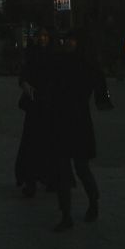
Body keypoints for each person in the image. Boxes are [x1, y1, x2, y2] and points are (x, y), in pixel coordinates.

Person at [47, 30, 101, 232]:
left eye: (72, 40)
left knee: (81, 167)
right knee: (62, 170)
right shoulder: (59, 62)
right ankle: (66, 214)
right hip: (61, 120)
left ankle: (93, 200)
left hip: (78, 121)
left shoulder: (85, 64)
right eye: (67, 40)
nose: (68, 43)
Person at [14, 28, 53, 198]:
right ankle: (30, 180)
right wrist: (25, 84)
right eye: (40, 36)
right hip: (35, 103)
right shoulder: (32, 55)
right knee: (31, 142)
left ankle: (49, 178)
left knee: (49, 143)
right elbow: (23, 75)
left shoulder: (53, 56)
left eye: (45, 36)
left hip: (50, 105)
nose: (43, 39)